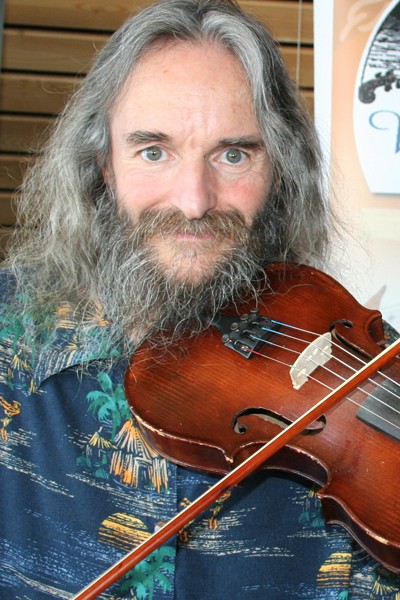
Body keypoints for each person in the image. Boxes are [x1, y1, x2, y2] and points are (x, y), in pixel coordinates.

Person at [0, 0, 399, 597]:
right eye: (153, 151)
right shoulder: (8, 342)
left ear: (281, 168)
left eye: (233, 154)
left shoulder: (366, 363)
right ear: (103, 162)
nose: (194, 201)